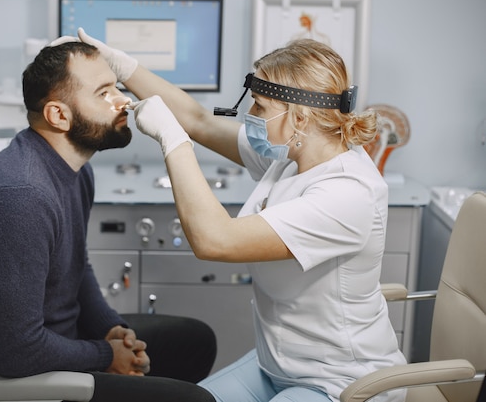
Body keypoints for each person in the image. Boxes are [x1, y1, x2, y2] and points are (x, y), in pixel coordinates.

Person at [75, 28, 407, 402]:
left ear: (300, 118)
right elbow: (198, 120)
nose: (250, 114)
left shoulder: (346, 194)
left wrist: (171, 139)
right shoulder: (293, 156)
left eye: (260, 107)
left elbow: (214, 240)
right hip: (276, 366)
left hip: (340, 381)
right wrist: (123, 67)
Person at [0, 41, 217, 402]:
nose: (124, 101)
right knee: (197, 400)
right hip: (4, 383)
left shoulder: (74, 170)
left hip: (56, 342)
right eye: (103, 93)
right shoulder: (20, 197)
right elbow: (14, 352)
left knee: (194, 342)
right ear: (59, 116)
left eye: (116, 86)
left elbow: (76, 267)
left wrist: (110, 329)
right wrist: (104, 356)